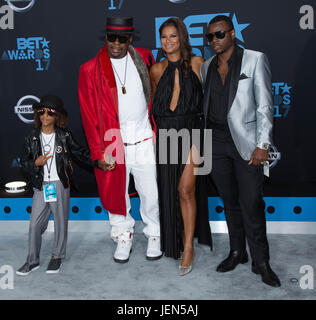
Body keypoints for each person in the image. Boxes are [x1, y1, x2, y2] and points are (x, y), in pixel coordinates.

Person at [200, 15, 281, 287]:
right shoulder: (207, 66)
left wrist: (262, 145)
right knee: (230, 202)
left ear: (233, 33)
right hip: (216, 142)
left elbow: (265, 106)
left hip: (246, 144)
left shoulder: (255, 59)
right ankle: (237, 252)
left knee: (252, 204)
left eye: (219, 34)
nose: (214, 40)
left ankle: (262, 261)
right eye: (210, 36)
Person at [78, 16, 162, 263]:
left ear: (130, 39)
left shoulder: (145, 57)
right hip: (113, 139)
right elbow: (88, 115)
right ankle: (122, 234)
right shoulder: (90, 69)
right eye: (111, 37)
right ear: (105, 37)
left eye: (122, 38)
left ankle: (154, 234)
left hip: (145, 135)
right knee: (116, 194)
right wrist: (97, 153)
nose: (116, 43)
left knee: (152, 192)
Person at [150, 17, 212, 276]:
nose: (168, 41)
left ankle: (188, 248)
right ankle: (174, 240)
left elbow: (211, 101)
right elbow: (154, 106)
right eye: (164, 37)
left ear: (182, 37)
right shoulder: (155, 70)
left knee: (186, 189)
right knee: (169, 192)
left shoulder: (199, 64)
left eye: (173, 36)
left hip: (195, 132)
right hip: (166, 133)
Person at [16, 94, 97, 276]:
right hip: (41, 184)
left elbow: (80, 153)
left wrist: (98, 162)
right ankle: (32, 260)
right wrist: (35, 164)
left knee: (60, 222)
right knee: (35, 224)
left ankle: (56, 257)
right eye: (41, 112)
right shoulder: (32, 137)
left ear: (57, 116)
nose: (45, 116)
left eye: (50, 113)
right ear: (38, 114)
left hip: (60, 183)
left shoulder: (64, 136)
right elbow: (24, 162)